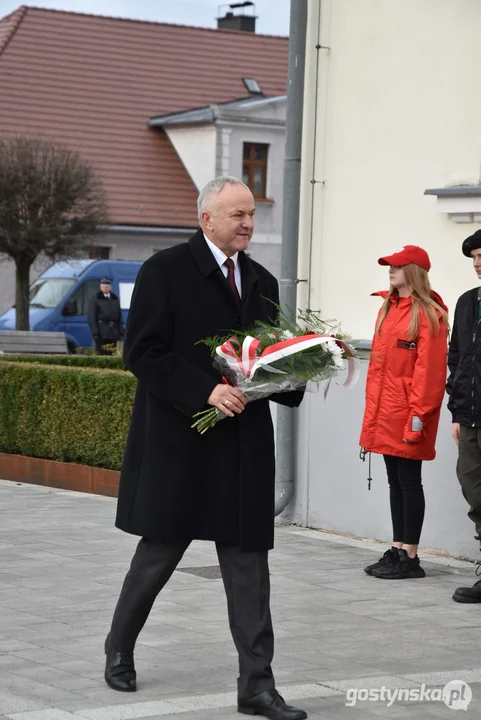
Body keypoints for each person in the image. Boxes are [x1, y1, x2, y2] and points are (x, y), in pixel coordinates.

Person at [104, 176, 307, 720]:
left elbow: (264, 357)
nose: (247, 222)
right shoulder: (164, 270)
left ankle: (257, 687)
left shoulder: (262, 279)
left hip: (242, 448)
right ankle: (119, 647)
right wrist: (204, 389)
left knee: (249, 568)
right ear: (207, 218)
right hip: (181, 442)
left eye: (251, 215)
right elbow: (142, 353)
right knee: (158, 556)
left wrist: (303, 368)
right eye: (237, 214)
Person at [360, 245, 448, 579]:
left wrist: (418, 418)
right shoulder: (388, 307)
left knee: (409, 482)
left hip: (408, 413)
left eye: (396, 266)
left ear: (412, 270)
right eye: (389, 266)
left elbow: (429, 374)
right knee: (394, 482)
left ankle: (411, 556)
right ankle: (397, 548)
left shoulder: (428, 314)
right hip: (385, 412)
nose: (390, 271)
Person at [448, 230, 481, 603]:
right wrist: (456, 410)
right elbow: (456, 357)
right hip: (470, 417)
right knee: (475, 493)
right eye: (474, 258)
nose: (478, 264)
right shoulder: (467, 302)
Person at [87, 277, 123, 355]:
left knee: (111, 353)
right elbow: (91, 317)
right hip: (101, 332)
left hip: (113, 332)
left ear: (110, 287)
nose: (105, 288)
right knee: (101, 353)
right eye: (103, 286)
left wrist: (120, 332)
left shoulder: (115, 299)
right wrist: (95, 332)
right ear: (100, 287)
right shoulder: (96, 299)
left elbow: (119, 317)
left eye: (107, 286)